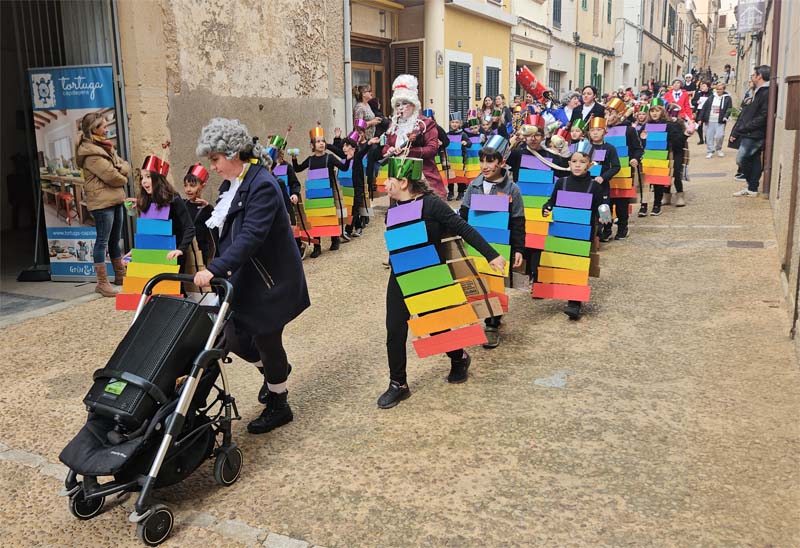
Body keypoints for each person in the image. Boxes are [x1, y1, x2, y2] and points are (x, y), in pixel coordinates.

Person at [194, 117, 310, 435]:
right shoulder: (232, 184)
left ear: (233, 154)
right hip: (245, 276)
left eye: (215, 159)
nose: (213, 167)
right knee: (234, 339)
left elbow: (250, 236)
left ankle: (279, 403)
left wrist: (214, 269)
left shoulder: (263, 185)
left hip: (270, 280)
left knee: (266, 340)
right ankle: (276, 373)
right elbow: (228, 227)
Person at [379, 157, 506, 408]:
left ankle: (459, 358)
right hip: (400, 275)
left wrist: (491, 255)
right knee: (394, 329)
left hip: (429, 275)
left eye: (390, 179)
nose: (385, 183)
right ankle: (398, 384)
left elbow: (464, 229)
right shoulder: (393, 206)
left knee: (435, 325)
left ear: (403, 182)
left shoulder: (432, 204)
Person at [459, 136, 525, 349]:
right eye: (482, 161)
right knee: (479, 281)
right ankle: (483, 313)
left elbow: (518, 221)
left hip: (499, 245)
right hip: (476, 244)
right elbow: (463, 216)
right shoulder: (474, 186)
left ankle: (492, 324)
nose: (485, 166)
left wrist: (518, 249)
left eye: (490, 161)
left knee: (495, 283)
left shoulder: (512, 189)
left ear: (502, 163)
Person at [541, 143, 607, 320]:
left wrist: (604, 216)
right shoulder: (561, 183)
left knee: (578, 266)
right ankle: (564, 292)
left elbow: (601, 206)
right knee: (565, 263)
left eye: (582, 162)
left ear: (590, 165)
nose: (578, 165)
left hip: (582, 234)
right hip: (562, 231)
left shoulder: (594, 186)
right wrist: (546, 208)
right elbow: (551, 202)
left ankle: (574, 302)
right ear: (569, 163)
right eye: (574, 161)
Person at [75, 112, 131, 297]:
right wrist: (123, 175)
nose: (107, 129)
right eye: (104, 126)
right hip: (102, 203)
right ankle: (102, 283)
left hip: (115, 199)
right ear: (94, 129)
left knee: (115, 240)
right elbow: (112, 177)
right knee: (102, 241)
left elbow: (124, 165)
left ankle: (120, 275)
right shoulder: (90, 153)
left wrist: (122, 169)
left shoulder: (106, 146)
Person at [382, 74, 447, 199]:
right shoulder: (393, 125)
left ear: (413, 104)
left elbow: (432, 149)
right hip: (398, 178)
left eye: (405, 103)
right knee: (401, 209)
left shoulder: (425, 123)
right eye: (397, 105)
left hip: (422, 178)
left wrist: (410, 152)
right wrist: (388, 149)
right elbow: (386, 145)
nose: (401, 108)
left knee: (424, 208)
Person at [292, 125, 352, 256]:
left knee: (330, 216)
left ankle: (335, 239)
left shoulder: (330, 158)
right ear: (312, 145)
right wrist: (294, 158)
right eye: (318, 141)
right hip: (314, 194)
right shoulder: (310, 160)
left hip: (328, 193)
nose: (321, 143)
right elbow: (297, 169)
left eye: (323, 141)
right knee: (315, 219)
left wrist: (348, 160)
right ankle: (317, 246)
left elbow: (344, 168)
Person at [132, 155, 195, 268]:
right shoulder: (145, 201)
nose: (144, 181)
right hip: (151, 255)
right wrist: (136, 252)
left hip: (171, 254)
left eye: (148, 176)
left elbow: (189, 228)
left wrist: (180, 249)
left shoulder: (173, 199)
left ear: (158, 179)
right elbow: (146, 232)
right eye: (142, 177)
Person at [602, 98, 643, 241]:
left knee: (621, 203)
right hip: (605, 172)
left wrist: (635, 159)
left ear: (619, 114)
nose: (607, 116)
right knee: (605, 203)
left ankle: (622, 227)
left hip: (623, 172)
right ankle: (606, 228)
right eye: (606, 113)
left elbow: (638, 149)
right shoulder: (602, 130)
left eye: (611, 113)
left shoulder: (629, 130)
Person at [641, 101, 688, 214]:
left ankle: (659, 203)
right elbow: (640, 142)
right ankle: (645, 205)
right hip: (649, 157)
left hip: (666, 155)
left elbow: (678, 141)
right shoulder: (646, 126)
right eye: (652, 111)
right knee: (647, 181)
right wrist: (643, 139)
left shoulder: (669, 125)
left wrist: (686, 134)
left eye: (657, 110)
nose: (654, 113)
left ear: (662, 111)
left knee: (666, 178)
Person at [731, 65, 770, 197]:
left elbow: (764, 115)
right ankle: (752, 188)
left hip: (755, 133)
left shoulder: (765, 92)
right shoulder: (757, 91)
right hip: (751, 131)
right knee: (754, 159)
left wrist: (746, 127)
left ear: (759, 76)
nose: (752, 77)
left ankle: (751, 184)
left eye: (754, 75)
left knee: (741, 159)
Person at [183, 162, 217, 266]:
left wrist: (209, 209)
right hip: (184, 249)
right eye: (185, 185)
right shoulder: (182, 204)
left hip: (201, 252)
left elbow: (215, 232)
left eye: (192, 186)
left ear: (203, 186)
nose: (188, 189)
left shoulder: (208, 208)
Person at [699, 82, 732, 159]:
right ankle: (710, 151)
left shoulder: (727, 98)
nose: (718, 91)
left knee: (720, 136)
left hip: (720, 120)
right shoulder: (711, 97)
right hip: (710, 120)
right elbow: (704, 108)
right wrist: (700, 118)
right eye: (717, 89)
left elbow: (729, 108)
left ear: (723, 90)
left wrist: (726, 116)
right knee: (709, 136)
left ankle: (718, 148)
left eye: (720, 89)